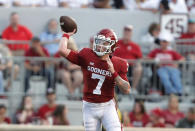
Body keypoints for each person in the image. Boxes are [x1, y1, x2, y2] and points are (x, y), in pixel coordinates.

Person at [59, 28, 130, 131]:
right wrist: (66, 35)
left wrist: (114, 73)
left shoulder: (119, 63)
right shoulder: (87, 55)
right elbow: (62, 50)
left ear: (112, 46)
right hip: (89, 106)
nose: (100, 45)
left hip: (107, 106)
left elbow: (127, 89)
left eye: (104, 43)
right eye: (98, 41)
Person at [113, 25, 142, 94]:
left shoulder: (135, 46)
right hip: (117, 67)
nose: (127, 33)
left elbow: (139, 59)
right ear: (123, 32)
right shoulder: (116, 43)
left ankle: (133, 89)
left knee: (139, 68)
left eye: (129, 31)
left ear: (131, 33)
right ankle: (112, 91)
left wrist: (137, 64)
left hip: (130, 67)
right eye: (125, 31)